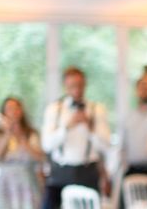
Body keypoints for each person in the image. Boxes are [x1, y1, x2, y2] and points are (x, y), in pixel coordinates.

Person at [41, 66, 110, 209]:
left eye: (80, 85)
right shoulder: (54, 109)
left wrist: (90, 128)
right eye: (72, 86)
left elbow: (106, 146)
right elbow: (46, 145)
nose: (77, 90)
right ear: (65, 87)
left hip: (88, 172)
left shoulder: (97, 109)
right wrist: (66, 128)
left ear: (85, 85)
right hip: (60, 173)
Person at [0, 97, 45, 209]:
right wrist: (8, 133)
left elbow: (40, 158)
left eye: (16, 108)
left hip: (27, 182)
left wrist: (23, 141)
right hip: (6, 183)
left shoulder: (31, 133)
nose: (13, 111)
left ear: (21, 110)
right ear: (4, 113)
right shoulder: (0, 134)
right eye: (9, 108)